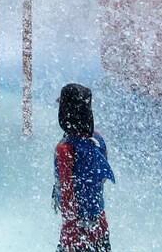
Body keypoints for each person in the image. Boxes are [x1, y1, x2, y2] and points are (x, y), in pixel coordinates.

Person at [52, 84, 115, 252]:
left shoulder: (65, 149)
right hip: (99, 223)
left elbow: (67, 192)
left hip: (77, 230)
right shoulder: (98, 140)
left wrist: (69, 231)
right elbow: (100, 180)